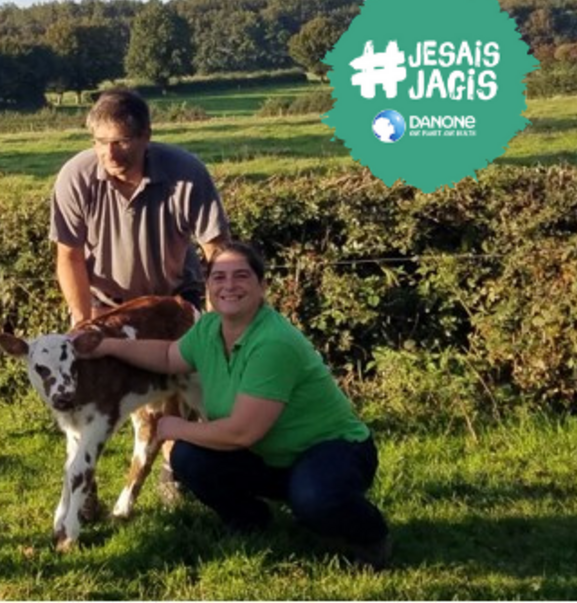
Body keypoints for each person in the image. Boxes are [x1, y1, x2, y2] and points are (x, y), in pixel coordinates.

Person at [77, 241, 393, 570]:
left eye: (241, 276)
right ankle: (250, 519)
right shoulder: (209, 329)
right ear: (208, 287)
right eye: (219, 277)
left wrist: (175, 427)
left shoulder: (273, 342)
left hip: (330, 448)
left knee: (315, 498)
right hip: (269, 455)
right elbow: (169, 356)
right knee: (188, 458)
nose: (229, 285)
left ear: (262, 286)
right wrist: (108, 346)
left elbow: (242, 433)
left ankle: (372, 537)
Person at [51, 88, 230, 325]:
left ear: (146, 136)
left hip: (174, 305)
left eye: (122, 142)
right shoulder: (75, 177)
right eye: (102, 142)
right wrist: (83, 325)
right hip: (103, 308)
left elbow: (217, 251)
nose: (110, 154)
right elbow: (70, 256)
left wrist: (216, 323)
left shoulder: (187, 172)